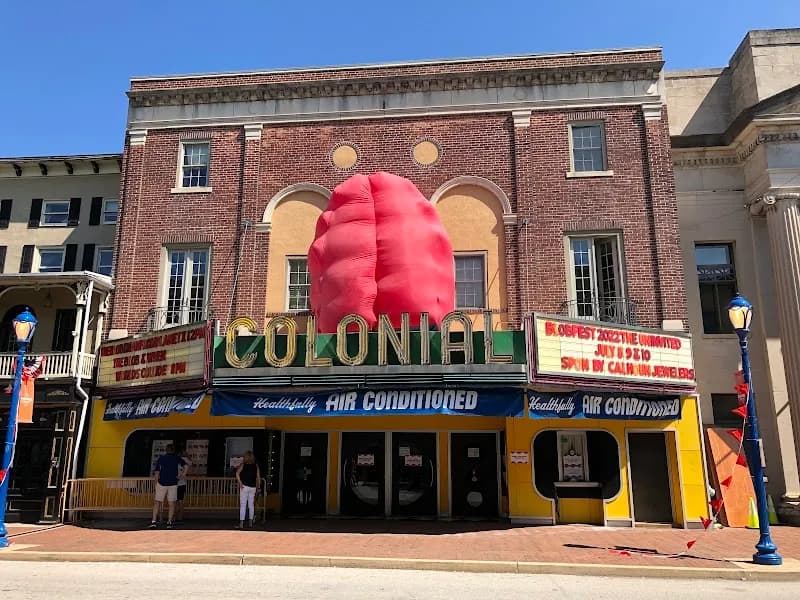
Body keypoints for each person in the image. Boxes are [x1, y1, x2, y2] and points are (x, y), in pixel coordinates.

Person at [150, 444, 185, 529]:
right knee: (171, 503)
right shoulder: (177, 458)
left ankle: (154, 521)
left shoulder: (161, 458)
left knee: (157, 502)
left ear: (166, 450)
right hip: (173, 483)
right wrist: (182, 475)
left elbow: (157, 472)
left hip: (161, 483)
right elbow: (186, 466)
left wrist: (155, 483)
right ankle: (169, 522)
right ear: (174, 450)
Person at [236, 451, 260, 529]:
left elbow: (237, 473)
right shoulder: (256, 466)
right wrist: (258, 487)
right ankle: (250, 522)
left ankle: (241, 524)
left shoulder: (243, 465)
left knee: (243, 505)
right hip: (253, 487)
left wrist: (240, 482)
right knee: (251, 505)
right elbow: (258, 478)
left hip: (244, 487)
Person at [175, 449, 193, 523]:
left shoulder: (175, 460)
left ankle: (174, 517)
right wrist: (188, 456)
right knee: (181, 500)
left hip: (174, 483)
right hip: (182, 483)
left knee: (174, 501)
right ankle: (181, 516)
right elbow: (191, 463)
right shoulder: (186, 460)